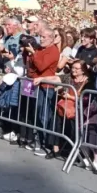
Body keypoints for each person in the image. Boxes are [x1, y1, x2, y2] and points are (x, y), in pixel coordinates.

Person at [25, 27, 61, 157]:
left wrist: (34, 54)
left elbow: (41, 65)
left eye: (44, 37)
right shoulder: (40, 49)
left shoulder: (53, 51)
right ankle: (39, 140)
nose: (41, 39)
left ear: (51, 38)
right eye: (40, 37)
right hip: (36, 83)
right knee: (37, 114)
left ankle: (47, 144)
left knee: (45, 115)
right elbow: (33, 67)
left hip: (47, 86)